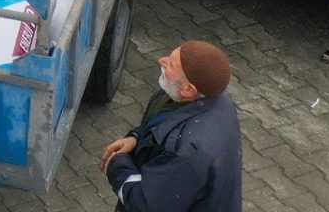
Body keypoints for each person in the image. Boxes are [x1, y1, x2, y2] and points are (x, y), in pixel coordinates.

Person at [100, 41, 242, 212]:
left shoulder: (187, 153)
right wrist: (136, 138)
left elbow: (144, 206)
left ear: (188, 89)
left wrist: (117, 163)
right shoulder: (210, 97)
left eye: (171, 64)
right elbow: (162, 126)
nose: (161, 60)